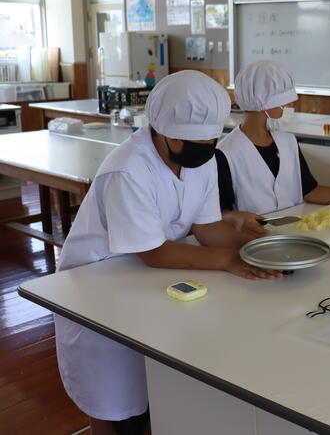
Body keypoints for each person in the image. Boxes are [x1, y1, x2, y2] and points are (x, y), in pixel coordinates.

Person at [54, 71, 282, 435]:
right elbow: (155, 252)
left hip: (155, 280)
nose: (203, 147)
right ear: (161, 130)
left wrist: (260, 249)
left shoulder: (202, 160)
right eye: (190, 140)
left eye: (209, 139)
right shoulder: (128, 169)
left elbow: (207, 228)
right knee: (113, 403)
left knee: (161, 393)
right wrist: (230, 260)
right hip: (101, 285)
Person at [216, 60, 330, 231]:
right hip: (252, 236)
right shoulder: (226, 153)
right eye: (283, 102)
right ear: (266, 103)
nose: (287, 106)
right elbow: (218, 212)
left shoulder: (287, 142)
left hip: (294, 230)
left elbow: (310, 190)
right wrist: (235, 218)